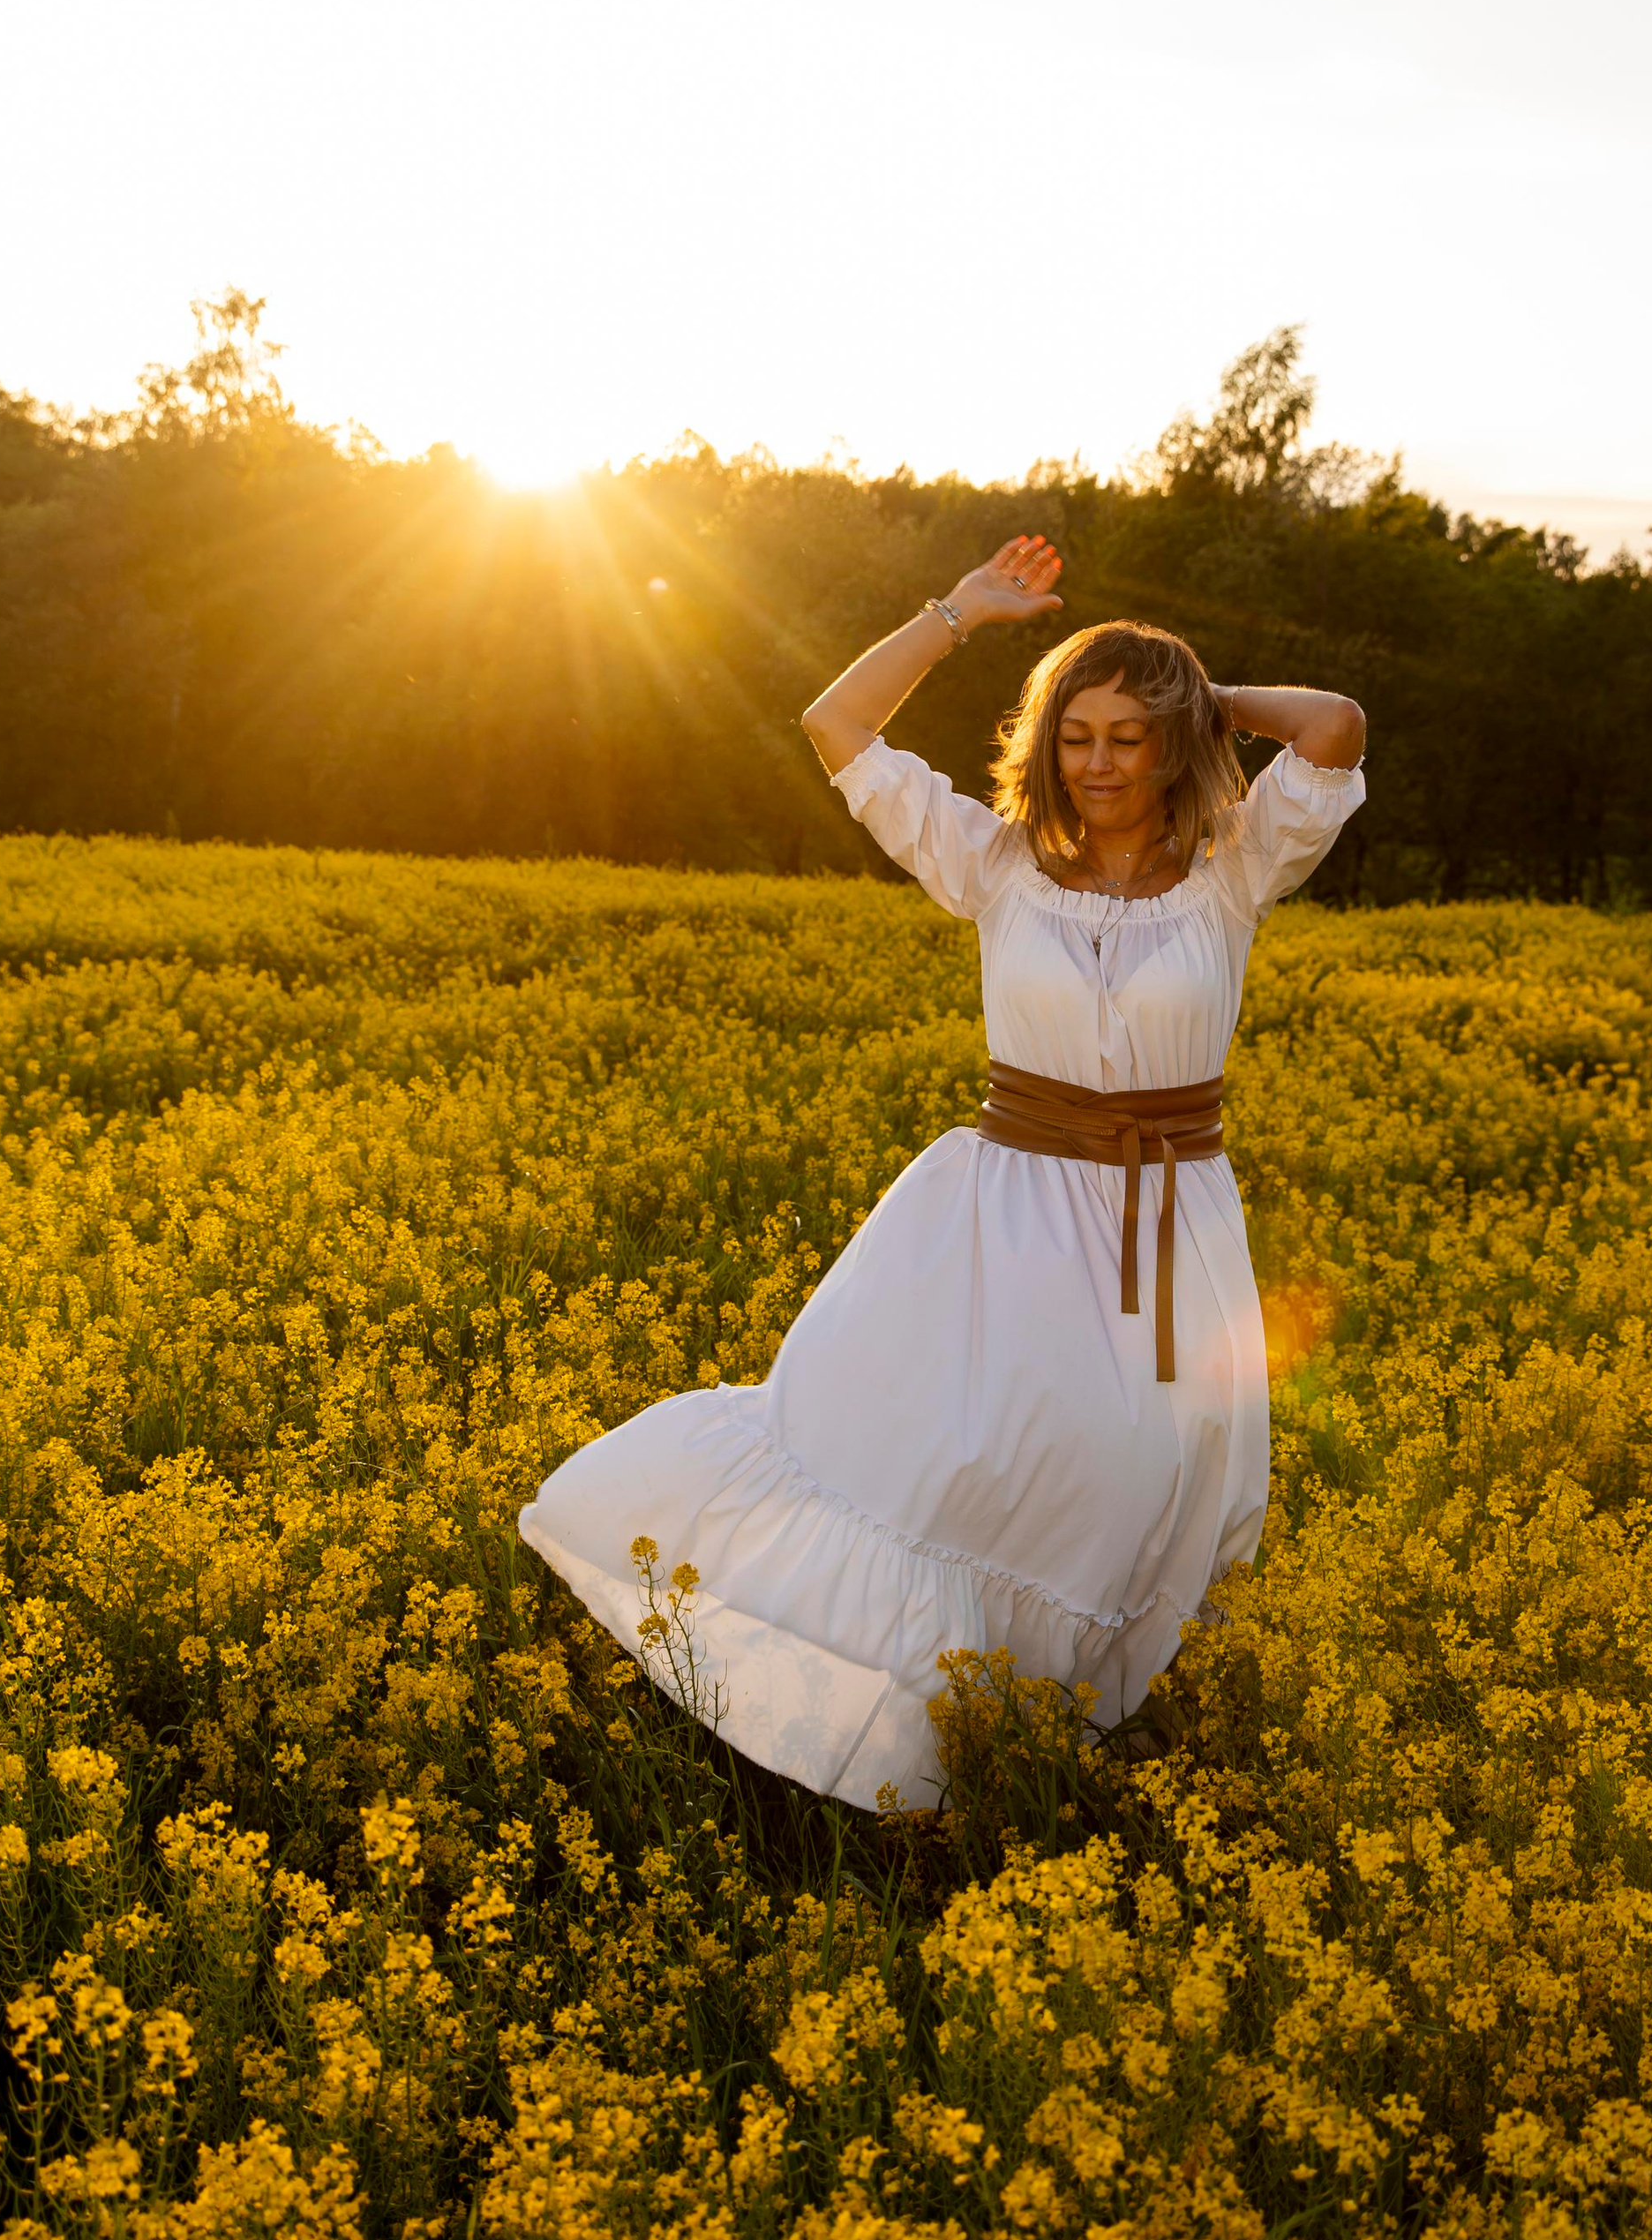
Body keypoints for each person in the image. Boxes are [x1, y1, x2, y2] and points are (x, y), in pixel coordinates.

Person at [518, 533, 1366, 1808]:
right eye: (1077, 734)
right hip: (1006, 1213)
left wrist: (1192, 691)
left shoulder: (1236, 868)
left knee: (1136, 1473)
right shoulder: (996, 862)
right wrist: (956, 615)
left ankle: (1052, 1727)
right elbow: (836, 723)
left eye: (1131, 737)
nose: (1099, 761)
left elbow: (1337, 725)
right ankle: (908, 1734)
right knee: (955, 1471)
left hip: (1165, 1216)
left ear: (1176, 747)